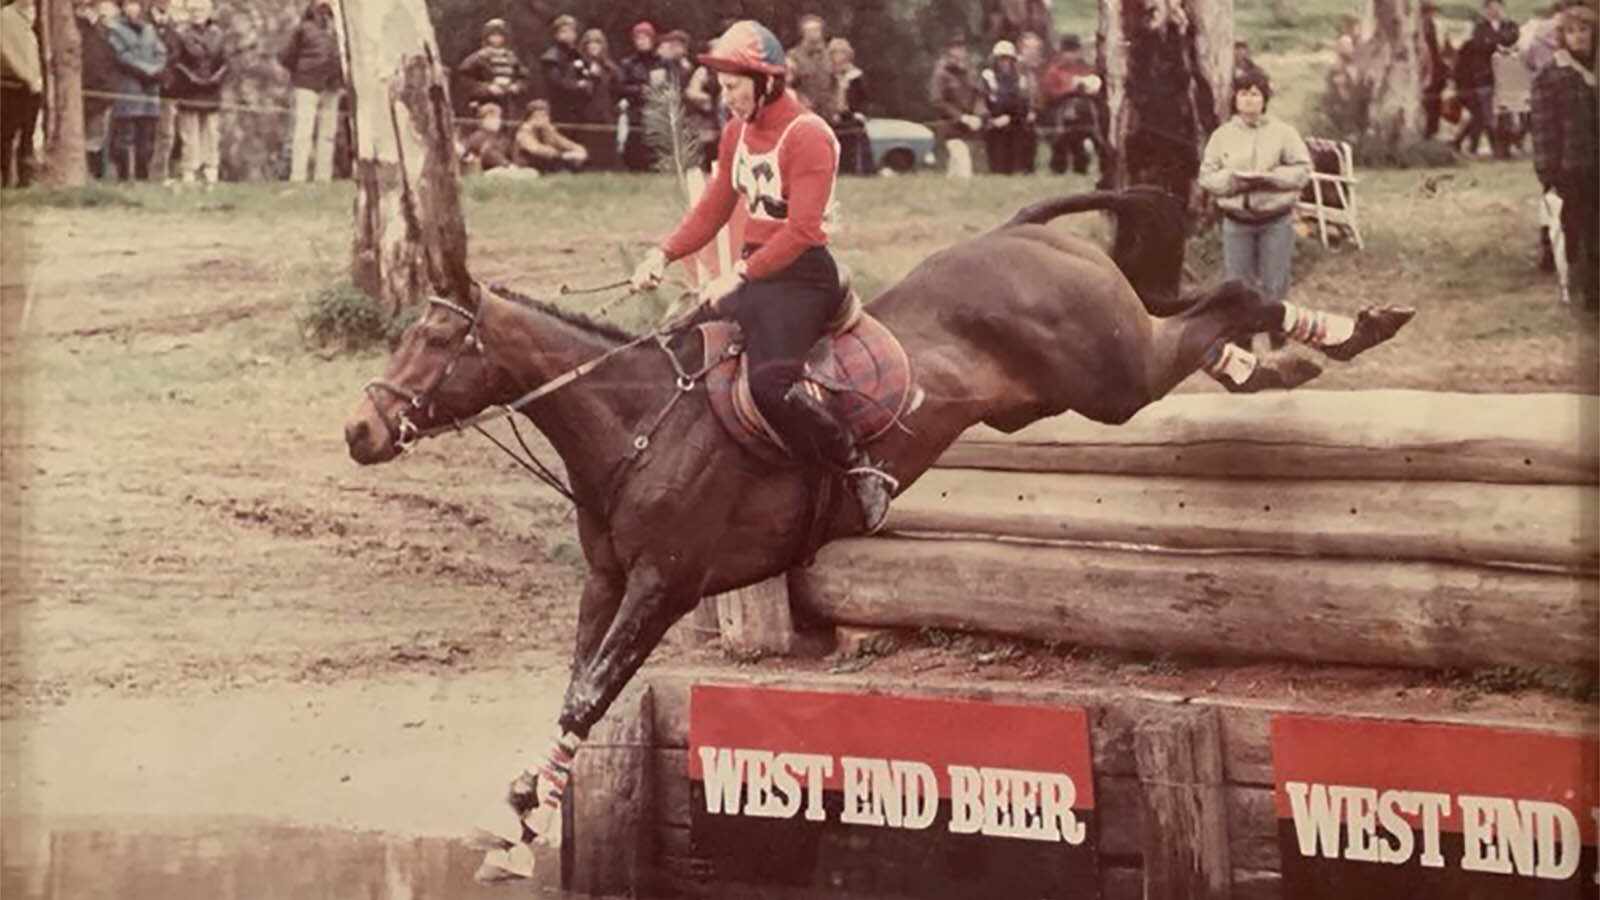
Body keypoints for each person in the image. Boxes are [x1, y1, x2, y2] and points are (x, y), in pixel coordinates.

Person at [628, 20, 896, 533]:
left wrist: (741, 274)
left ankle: (858, 465)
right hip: (756, 272)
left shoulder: (808, 135)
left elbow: (802, 230)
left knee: (772, 384)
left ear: (767, 81)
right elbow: (711, 210)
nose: (725, 96)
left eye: (733, 85)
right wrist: (661, 255)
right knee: (673, 344)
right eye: (722, 85)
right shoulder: (737, 133)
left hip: (803, 276)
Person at [1198, 72, 1312, 322]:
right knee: (1237, 284)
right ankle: (1241, 335)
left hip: (1276, 220)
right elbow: (1206, 176)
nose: (1249, 100)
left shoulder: (1284, 133)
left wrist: (1272, 178)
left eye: (1255, 94)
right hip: (1236, 221)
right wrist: (1232, 181)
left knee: (1275, 283)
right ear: (1235, 99)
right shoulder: (1222, 135)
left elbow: (1303, 170)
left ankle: (1275, 334)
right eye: (1243, 94)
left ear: (1264, 99)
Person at [1531, 5, 1597, 308]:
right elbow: (1543, 127)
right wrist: (1547, 173)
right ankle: (1586, 291)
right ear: (1562, 36)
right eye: (1571, 31)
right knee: (1577, 228)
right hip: (1572, 167)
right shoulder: (1553, 74)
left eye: (1584, 30)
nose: (1579, 37)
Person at [278, 0, 343, 181]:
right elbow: (286, 56)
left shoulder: (342, 26)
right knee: (303, 132)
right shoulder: (304, 27)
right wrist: (301, 72)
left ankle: (323, 178)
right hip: (307, 84)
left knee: (328, 134)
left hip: (332, 84)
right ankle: (298, 176)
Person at [105, 0, 167, 181]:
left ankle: (143, 176)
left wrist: (157, 68)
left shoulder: (149, 29)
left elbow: (161, 51)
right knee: (125, 136)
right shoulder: (114, 29)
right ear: (122, 7)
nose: (133, 8)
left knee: (147, 137)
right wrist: (146, 69)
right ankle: (123, 177)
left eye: (136, 4)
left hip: (150, 91)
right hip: (128, 88)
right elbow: (122, 56)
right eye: (128, 4)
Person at [168, 0, 225, 186]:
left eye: (201, 9)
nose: (197, 13)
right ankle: (189, 170)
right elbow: (176, 62)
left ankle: (211, 168)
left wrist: (216, 77)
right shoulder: (182, 34)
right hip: (189, 89)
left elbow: (225, 61)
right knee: (189, 132)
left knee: (211, 131)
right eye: (193, 10)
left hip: (212, 89)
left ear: (209, 12)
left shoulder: (218, 34)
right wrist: (191, 78)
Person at [1454, 0, 1520, 155]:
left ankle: (1504, 147)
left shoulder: (1509, 25)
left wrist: (1496, 41)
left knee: (1506, 111)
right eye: (1490, 8)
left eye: (1497, 7)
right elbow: (1481, 45)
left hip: (1506, 75)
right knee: (1487, 113)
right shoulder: (1480, 28)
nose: (1494, 11)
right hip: (1485, 76)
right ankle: (1495, 147)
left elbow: (1512, 38)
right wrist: (1498, 44)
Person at [1041, 34, 1107, 179]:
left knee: (1085, 140)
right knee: (1061, 142)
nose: (1071, 56)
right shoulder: (1055, 70)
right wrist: (1071, 89)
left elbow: (1095, 86)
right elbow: (1050, 93)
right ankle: (1058, 169)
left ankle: (1085, 167)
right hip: (1061, 112)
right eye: (1068, 52)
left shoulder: (1085, 68)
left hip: (1085, 113)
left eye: (1074, 51)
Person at [929, 36, 986, 178]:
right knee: (963, 161)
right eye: (955, 49)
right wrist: (961, 117)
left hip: (968, 128)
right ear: (948, 51)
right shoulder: (941, 74)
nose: (959, 53)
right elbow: (937, 101)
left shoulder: (970, 73)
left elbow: (979, 95)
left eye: (962, 48)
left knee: (955, 168)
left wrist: (978, 116)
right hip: (949, 126)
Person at [77, 0, 121, 178]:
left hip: (102, 91)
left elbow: (112, 58)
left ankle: (95, 173)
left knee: (97, 136)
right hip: (82, 89)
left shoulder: (106, 31)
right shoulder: (76, 28)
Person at [0, 0, 41, 188]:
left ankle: (25, 179)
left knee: (28, 134)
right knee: (6, 134)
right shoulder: (5, 17)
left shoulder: (33, 17)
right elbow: (7, 53)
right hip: (10, 85)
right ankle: (5, 177)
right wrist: (26, 76)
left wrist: (37, 80)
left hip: (33, 87)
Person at [980, 40, 1035, 175]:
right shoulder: (987, 77)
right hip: (995, 124)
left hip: (1017, 122)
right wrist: (991, 119)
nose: (1004, 63)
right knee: (999, 153)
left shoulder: (1020, 79)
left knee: (1026, 135)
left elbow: (1025, 101)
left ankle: (1023, 169)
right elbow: (980, 101)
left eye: (1008, 59)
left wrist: (1024, 114)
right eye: (1001, 59)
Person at [457, 19, 530, 118]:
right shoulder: (478, 58)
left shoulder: (512, 58)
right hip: (485, 103)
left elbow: (524, 78)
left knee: (509, 128)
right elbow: (465, 80)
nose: (497, 39)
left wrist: (517, 87)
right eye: (493, 35)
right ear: (487, 37)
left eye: (500, 35)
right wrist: (487, 88)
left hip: (508, 103)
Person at [618, 20, 663, 171]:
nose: (642, 42)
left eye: (645, 38)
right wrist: (639, 90)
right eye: (638, 38)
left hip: (657, 109)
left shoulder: (662, 63)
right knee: (636, 142)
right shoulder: (628, 64)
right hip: (636, 109)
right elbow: (620, 87)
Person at [148, 0, 185, 183]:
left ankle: (161, 174)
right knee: (147, 131)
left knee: (168, 134)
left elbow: (178, 55)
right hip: (146, 84)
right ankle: (142, 173)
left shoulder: (173, 28)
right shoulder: (144, 23)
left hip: (169, 88)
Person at [576, 28, 621, 170]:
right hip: (586, 112)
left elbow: (618, 88)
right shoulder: (579, 66)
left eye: (597, 42)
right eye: (590, 43)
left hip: (606, 112)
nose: (593, 46)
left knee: (607, 145)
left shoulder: (610, 68)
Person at [827, 37, 869, 175]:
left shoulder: (856, 75)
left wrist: (859, 111)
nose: (838, 56)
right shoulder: (829, 75)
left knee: (856, 133)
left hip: (852, 113)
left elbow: (864, 97)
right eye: (835, 53)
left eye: (841, 52)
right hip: (832, 114)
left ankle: (859, 169)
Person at [540, 14, 589, 129]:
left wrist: (586, 84)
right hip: (559, 108)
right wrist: (577, 85)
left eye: (571, 31)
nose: (568, 35)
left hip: (579, 109)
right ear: (556, 35)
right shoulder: (550, 57)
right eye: (564, 31)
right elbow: (556, 83)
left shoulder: (577, 55)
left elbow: (584, 74)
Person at [786, 13, 836, 121]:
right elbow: (787, 85)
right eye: (810, 30)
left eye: (817, 30)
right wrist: (800, 101)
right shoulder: (793, 56)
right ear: (803, 33)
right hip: (805, 112)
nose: (814, 33)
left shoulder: (831, 54)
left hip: (829, 113)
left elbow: (837, 81)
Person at [515, 98, 587, 173]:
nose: (544, 119)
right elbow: (536, 149)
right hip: (527, 168)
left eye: (545, 116)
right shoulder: (524, 132)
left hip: (546, 166)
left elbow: (563, 142)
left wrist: (578, 149)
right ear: (530, 118)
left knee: (578, 155)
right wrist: (563, 155)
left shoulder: (546, 130)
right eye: (539, 116)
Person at [685, 39, 723, 170]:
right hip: (707, 115)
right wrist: (706, 99)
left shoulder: (731, 71)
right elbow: (691, 91)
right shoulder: (703, 72)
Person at [1421, 1, 1450, 139]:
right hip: (1424, 69)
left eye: (1432, 12)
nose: (1430, 15)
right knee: (1427, 103)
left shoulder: (1438, 27)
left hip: (1438, 71)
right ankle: (1427, 131)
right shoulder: (1419, 28)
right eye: (1427, 12)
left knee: (1435, 103)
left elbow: (1444, 49)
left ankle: (1432, 131)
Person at [460, 102, 512, 171]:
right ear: (483, 120)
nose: (498, 121)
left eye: (498, 117)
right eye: (493, 118)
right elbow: (489, 155)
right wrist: (507, 165)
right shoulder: (478, 137)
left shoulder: (499, 137)